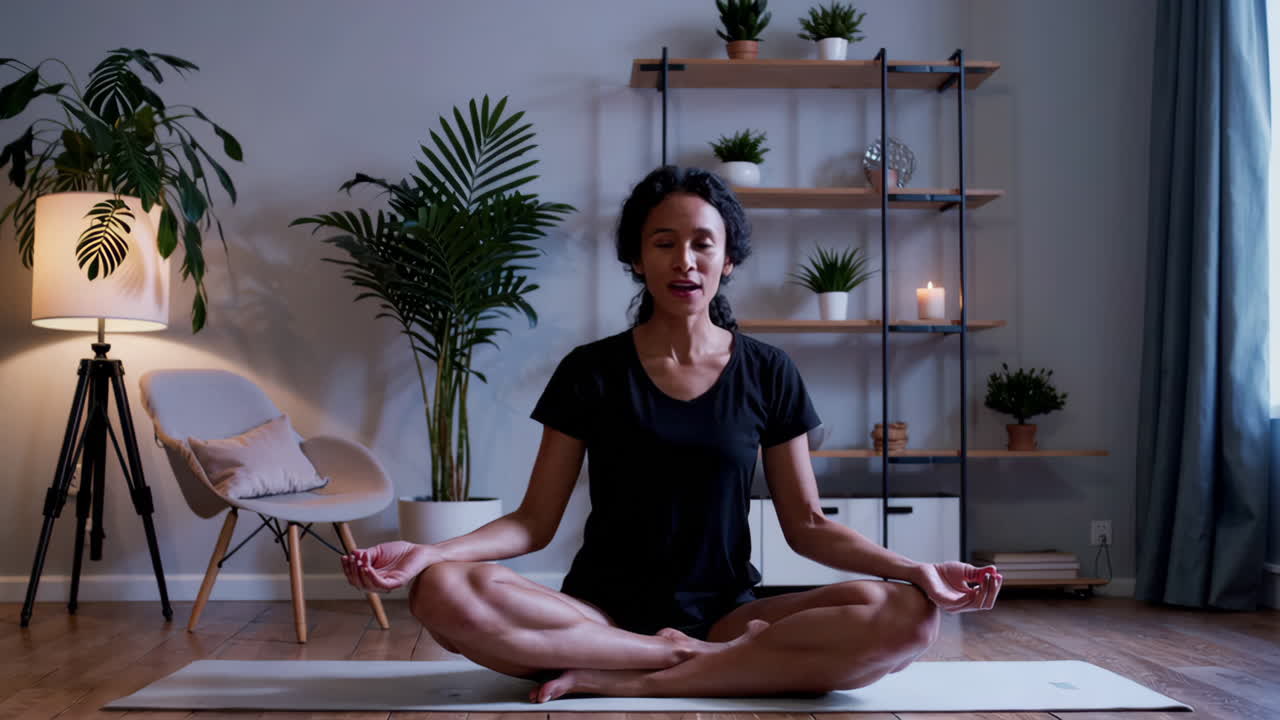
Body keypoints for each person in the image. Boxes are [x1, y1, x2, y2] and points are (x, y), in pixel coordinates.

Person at [341, 165, 1004, 703]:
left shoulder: (768, 372)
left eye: (702, 242)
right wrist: (430, 555)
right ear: (637, 258)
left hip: (727, 614)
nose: (684, 260)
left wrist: (913, 568)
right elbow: (533, 523)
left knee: (909, 615)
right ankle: (678, 659)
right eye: (663, 242)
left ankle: (632, 677)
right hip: (593, 619)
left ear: (730, 260)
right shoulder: (591, 371)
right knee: (440, 591)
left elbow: (808, 525)